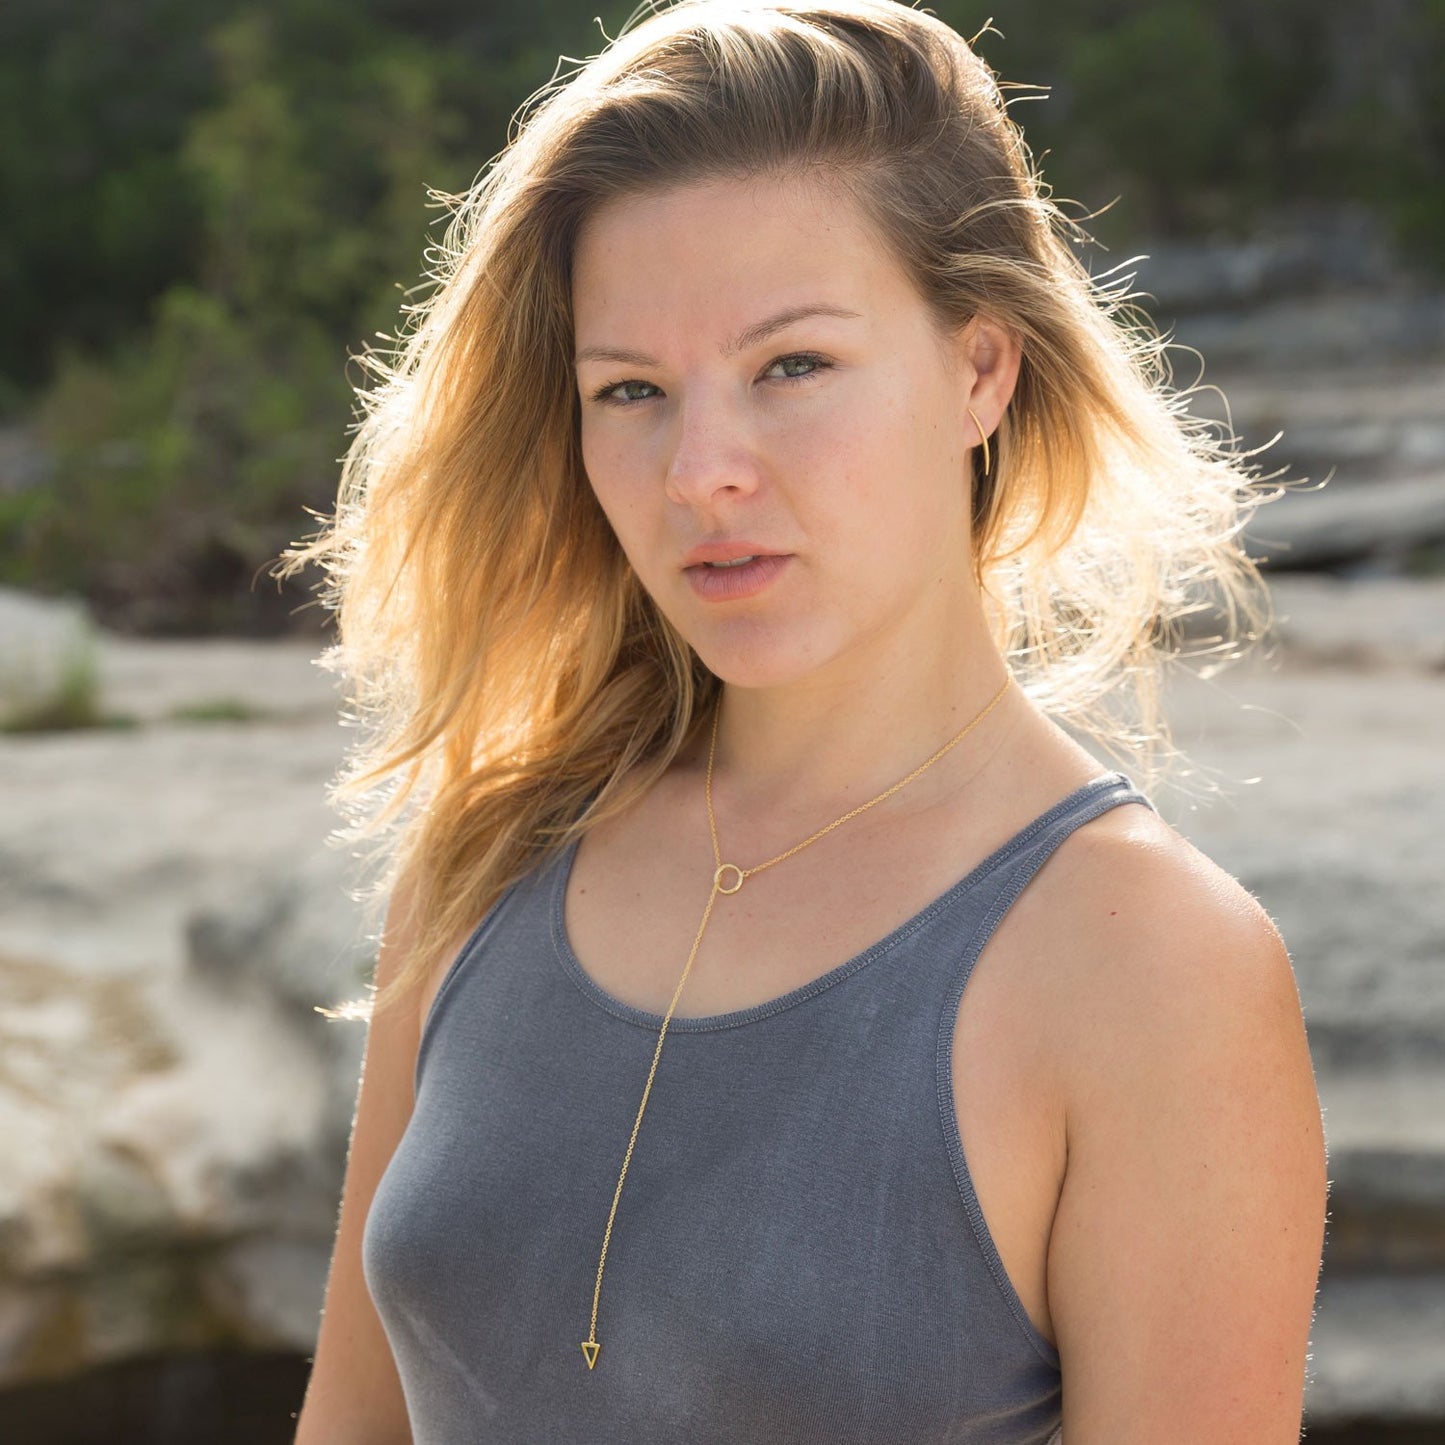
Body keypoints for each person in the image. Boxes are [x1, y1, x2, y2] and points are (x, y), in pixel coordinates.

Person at [283, 2, 1328, 1441]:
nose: (700, 471)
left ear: (980, 367)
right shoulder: (490, 852)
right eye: (631, 390)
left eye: (792, 366)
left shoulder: (1151, 968)